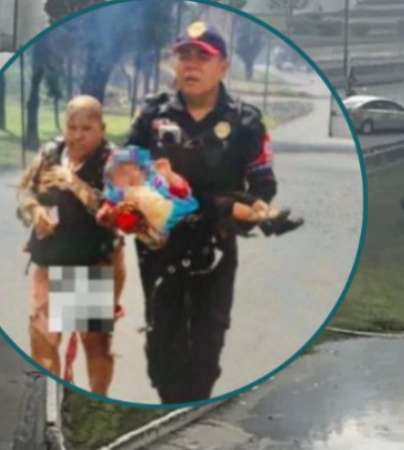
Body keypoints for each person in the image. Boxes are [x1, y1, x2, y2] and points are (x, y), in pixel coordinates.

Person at [120, 25, 302, 404]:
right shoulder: (153, 115)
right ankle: (171, 400)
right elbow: (123, 169)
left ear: (223, 66)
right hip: (160, 249)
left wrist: (260, 210)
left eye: (202, 57)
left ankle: (187, 411)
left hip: (215, 247)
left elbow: (262, 184)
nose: (191, 65)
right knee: (162, 353)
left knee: (206, 351)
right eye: (184, 56)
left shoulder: (246, 122)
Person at [14, 95, 123, 397]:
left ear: (102, 127)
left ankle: (96, 397)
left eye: (86, 128)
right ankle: (48, 403)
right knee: (42, 344)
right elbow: (24, 193)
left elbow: (115, 211)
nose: (77, 135)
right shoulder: (51, 152)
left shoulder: (111, 162)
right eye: (72, 127)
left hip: (85, 264)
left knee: (94, 345)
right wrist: (36, 212)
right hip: (48, 261)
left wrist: (74, 183)